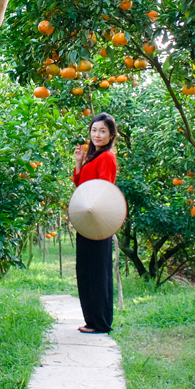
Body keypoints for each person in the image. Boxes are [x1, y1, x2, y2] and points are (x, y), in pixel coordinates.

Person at [72, 112, 118, 333]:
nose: (97, 135)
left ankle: (100, 322)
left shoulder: (107, 158)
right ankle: (92, 320)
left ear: (111, 135)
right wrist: (79, 162)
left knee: (97, 272)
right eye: (94, 130)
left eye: (102, 131)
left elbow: (103, 190)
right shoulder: (94, 157)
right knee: (86, 270)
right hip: (87, 219)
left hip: (98, 221)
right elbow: (81, 186)